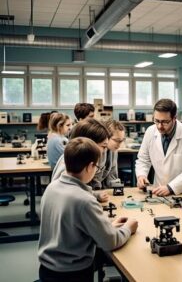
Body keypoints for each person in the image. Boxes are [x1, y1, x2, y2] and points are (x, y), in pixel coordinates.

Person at [38, 137, 138, 282]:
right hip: (73, 274)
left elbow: (69, 227)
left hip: (48, 270)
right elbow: (110, 242)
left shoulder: (52, 188)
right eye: (97, 167)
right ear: (90, 166)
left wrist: (108, 226)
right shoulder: (84, 200)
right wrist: (128, 228)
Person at [136, 99, 182, 199]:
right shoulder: (150, 132)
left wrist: (171, 188)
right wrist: (141, 175)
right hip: (158, 193)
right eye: (156, 121)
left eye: (165, 122)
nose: (159, 126)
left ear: (174, 118)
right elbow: (143, 159)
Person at [51, 118, 110, 202]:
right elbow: (65, 197)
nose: (104, 152)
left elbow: (77, 190)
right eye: (103, 146)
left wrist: (95, 195)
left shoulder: (74, 159)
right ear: (88, 143)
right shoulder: (68, 166)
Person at [93, 119, 126, 188]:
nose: (119, 145)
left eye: (121, 141)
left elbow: (112, 175)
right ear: (106, 137)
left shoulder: (113, 150)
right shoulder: (96, 150)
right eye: (117, 140)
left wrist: (118, 189)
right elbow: (94, 180)